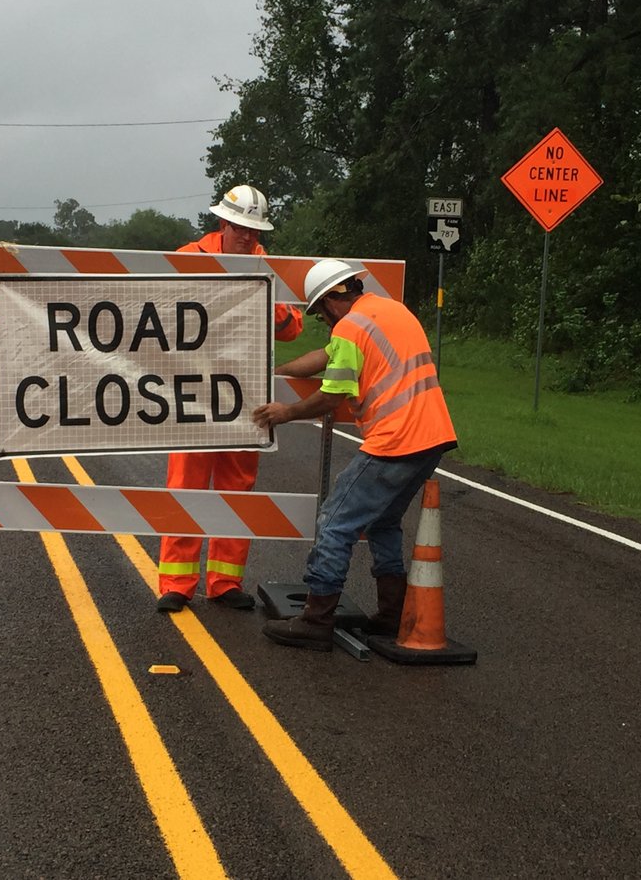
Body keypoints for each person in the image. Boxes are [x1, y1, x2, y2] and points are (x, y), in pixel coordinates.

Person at [251, 258, 457, 650]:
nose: (324, 321)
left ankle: (316, 619)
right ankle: (392, 614)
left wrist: (287, 411)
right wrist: (272, 372)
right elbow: (326, 355)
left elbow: (333, 395)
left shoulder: (350, 327)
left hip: (396, 440)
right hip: (433, 436)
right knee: (383, 522)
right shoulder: (390, 312)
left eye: (320, 312)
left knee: (334, 522)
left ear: (331, 298)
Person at [155, 185, 304, 613]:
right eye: (240, 228)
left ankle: (225, 582)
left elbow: (292, 327)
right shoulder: (188, 257)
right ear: (223, 223)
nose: (247, 236)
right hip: (192, 391)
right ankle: (177, 584)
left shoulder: (267, 264)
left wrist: (275, 308)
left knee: (238, 487)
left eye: (253, 230)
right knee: (187, 485)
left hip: (245, 395)